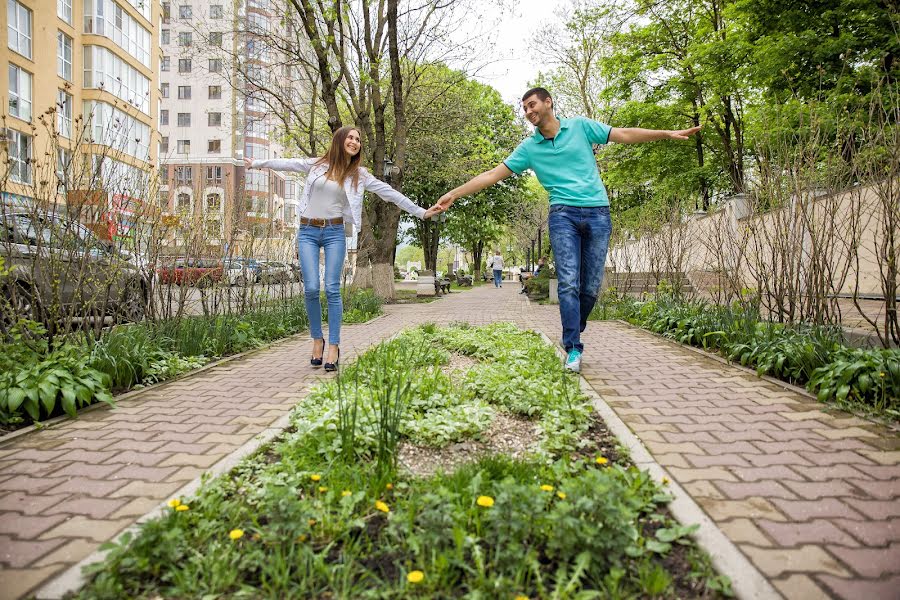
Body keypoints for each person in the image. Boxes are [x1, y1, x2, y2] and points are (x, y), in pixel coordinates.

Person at [436, 87, 699, 372]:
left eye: (532, 105)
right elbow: (492, 174)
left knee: (590, 287)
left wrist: (665, 133)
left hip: (598, 212)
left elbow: (622, 134)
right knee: (569, 282)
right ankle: (573, 346)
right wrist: (455, 193)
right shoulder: (529, 148)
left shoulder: (581, 127)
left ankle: (574, 325)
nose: (528, 112)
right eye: (524, 108)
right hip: (563, 215)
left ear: (548, 102)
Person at [246, 126, 442, 371]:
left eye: (358, 139)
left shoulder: (360, 176)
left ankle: (334, 346)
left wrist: (422, 212)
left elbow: (391, 194)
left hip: (334, 233)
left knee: (331, 289)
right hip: (307, 231)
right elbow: (287, 162)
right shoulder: (317, 165)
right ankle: (317, 339)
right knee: (311, 288)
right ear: (339, 140)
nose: (355, 141)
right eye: (350, 137)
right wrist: (256, 163)